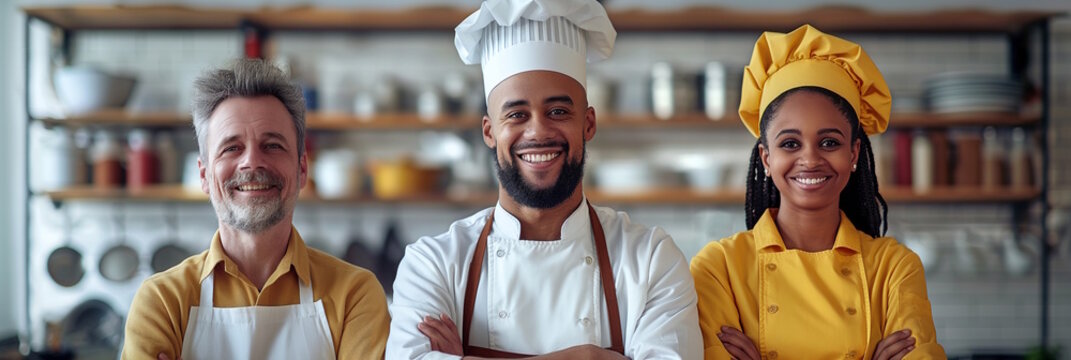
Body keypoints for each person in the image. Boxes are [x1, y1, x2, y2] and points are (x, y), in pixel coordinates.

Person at [385, 0, 702, 358]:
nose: (538, 131)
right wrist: (588, 356)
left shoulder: (650, 260)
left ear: (589, 123)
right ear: (489, 131)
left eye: (558, 111)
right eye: (517, 114)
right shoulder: (433, 264)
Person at [689, 25, 946, 360]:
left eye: (829, 142)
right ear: (767, 158)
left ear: (853, 154)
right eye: (790, 143)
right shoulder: (718, 268)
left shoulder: (894, 267)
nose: (810, 159)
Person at [121, 58, 390, 360]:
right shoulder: (163, 301)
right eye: (231, 148)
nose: (252, 162)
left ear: (302, 169)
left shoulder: (354, 294)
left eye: (273, 145)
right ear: (204, 175)